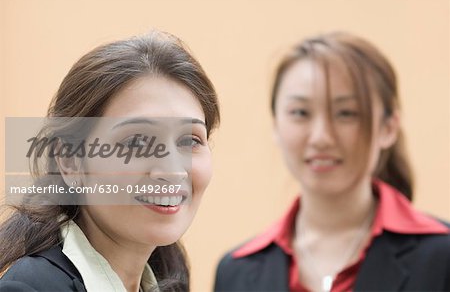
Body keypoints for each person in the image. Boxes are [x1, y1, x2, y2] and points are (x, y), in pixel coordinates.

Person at [214, 32, 450, 292]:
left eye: (346, 113)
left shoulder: (441, 255)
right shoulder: (236, 273)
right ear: (276, 126)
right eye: (300, 113)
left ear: (388, 127)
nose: (321, 137)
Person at [0, 30, 220, 292]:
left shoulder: (167, 283)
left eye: (189, 141)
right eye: (137, 142)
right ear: (70, 161)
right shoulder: (30, 288)